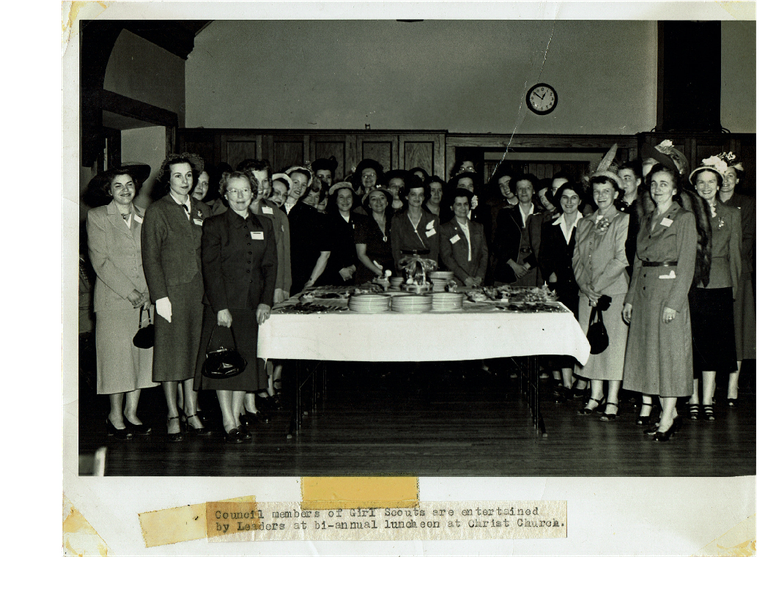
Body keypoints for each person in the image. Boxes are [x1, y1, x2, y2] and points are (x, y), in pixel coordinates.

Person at [195, 171, 278, 443]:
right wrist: (220, 307)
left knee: (245, 363)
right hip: (224, 306)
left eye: (245, 191)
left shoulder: (264, 224)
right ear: (225, 194)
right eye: (234, 191)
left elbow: (269, 266)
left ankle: (236, 416)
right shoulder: (214, 225)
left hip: (253, 306)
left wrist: (265, 301)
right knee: (223, 362)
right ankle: (228, 421)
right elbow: (211, 269)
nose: (240, 196)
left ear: (253, 193)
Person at [621, 163, 698, 440]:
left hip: (667, 295)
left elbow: (687, 265)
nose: (658, 189)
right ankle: (669, 413)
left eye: (664, 183)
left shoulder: (684, 218)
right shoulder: (648, 218)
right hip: (644, 296)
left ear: (675, 189)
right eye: (654, 184)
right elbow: (639, 261)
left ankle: (667, 418)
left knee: (671, 357)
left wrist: (674, 304)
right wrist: (630, 299)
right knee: (653, 358)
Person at [141, 153, 212, 441]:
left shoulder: (203, 210)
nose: (185, 181)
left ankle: (191, 411)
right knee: (171, 355)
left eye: (189, 175)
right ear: (168, 180)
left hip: (199, 294)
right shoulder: (158, 210)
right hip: (170, 294)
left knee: (194, 354)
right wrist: (160, 296)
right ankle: (172, 414)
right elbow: (150, 257)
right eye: (178, 176)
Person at [86, 164, 156, 439]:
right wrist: (131, 292)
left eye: (129, 184)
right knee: (116, 359)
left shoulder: (146, 215)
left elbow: (152, 257)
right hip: (114, 300)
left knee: (139, 356)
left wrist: (149, 293)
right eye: (118, 186)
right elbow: (100, 260)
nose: (125, 190)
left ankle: (132, 412)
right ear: (109, 190)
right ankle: (114, 414)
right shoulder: (98, 216)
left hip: (145, 300)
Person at [687, 155, 742, 422]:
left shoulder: (731, 215)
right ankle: (694, 398)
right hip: (693, 284)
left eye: (711, 182)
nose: (706, 187)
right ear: (694, 186)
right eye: (701, 182)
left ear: (719, 185)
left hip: (720, 283)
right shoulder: (686, 214)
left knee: (713, 345)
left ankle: (708, 398)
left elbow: (735, 254)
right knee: (694, 343)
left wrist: (733, 288)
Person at [572, 172, 630, 420]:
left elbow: (622, 257)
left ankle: (613, 399)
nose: (601, 196)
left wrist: (598, 285)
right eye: (597, 192)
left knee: (614, 346)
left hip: (613, 291)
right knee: (592, 344)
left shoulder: (623, 220)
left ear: (616, 194)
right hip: (587, 294)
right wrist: (586, 286)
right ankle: (595, 395)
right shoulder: (584, 222)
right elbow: (576, 258)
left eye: (606, 191)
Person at [538, 182, 585, 400]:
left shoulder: (588, 224)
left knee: (581, 333)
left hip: (581, 287)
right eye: (565, 198)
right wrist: (551, 275)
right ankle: (567, 382)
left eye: (574, 197)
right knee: (563, 334)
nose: (569, 202)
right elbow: (544, 257)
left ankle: (582, 381)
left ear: (580, 200)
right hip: (560, 289)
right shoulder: (549, 225)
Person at [716, 153, 756, 405]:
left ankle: (733, 385)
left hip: (738, 272)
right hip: (714, 273)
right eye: (723, 176)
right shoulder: (704, 201)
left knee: (738, 328)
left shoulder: (747, 203)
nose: (727, 181)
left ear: (737, 179)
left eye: (731, 176)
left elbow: (747, 239)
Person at [284, 165, 332, 294]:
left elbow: (325, 253)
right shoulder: (274, 209)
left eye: (304, 184)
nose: (299, 187)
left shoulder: (312, 215)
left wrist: (311, 282)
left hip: (302, 280)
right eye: (295, 182)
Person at [492, 173, 543, 287]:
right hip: (510, 267)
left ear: (534, 191)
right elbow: (498, 243)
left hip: (534, 268)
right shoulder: (505, 213)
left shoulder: (542, 215)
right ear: (515, 192)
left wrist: (527, 265)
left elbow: (545, 246)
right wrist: (513, 265)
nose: (524, 192)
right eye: (520, 188)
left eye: (528, 188)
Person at [439, 188, 489, 288]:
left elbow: (484, 254)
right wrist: (465, 278)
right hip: (456, 281)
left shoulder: (478, 227)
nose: (463, 208)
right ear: (451, 207)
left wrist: (480, 276)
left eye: (465, 204)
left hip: (477, 281)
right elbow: (447, 258)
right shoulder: (445, 229)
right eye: (458, 204)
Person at [319, 182, 365, 286]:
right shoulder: (327, 221)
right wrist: (340, 269)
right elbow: (326, 251)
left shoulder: (361, 220)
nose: (345, 201)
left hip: (357, 273)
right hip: (333, 274)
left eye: (349, 197)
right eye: (341, 197)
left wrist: (353, 267)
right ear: (335, 200)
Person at [390, 175, 441, 270]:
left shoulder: (432, 219)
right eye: (413, 194)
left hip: (426, 264)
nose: (417, 198)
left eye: (421, 194)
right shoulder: (398, 219)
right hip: (405, 263)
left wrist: (431, 267)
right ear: (406, 196)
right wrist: (400, 265)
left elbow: (435, 249)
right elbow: (395, 248)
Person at [355, 186, 395, 283]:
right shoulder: (363, 223)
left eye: (382, 198)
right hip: (369, 273)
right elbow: (361, 255)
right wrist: (379, 272)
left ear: (387, 202)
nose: (378, 202)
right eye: (373, 199)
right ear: (369, 205)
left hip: (391, 272)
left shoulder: (394, 221)